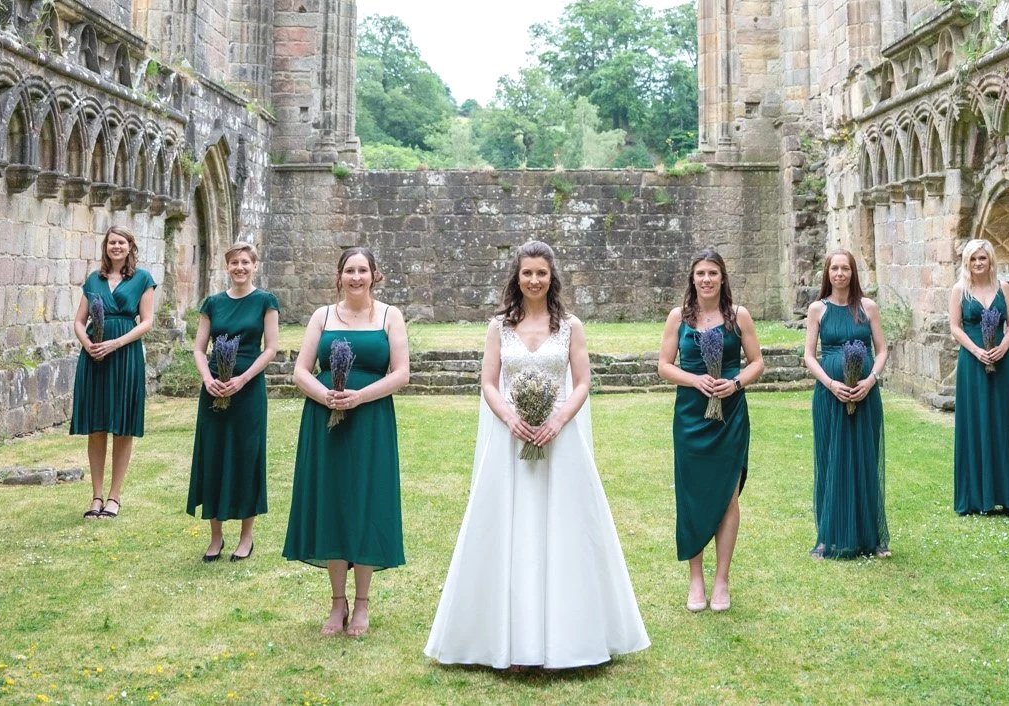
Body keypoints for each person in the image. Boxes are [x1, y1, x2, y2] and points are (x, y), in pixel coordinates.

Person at [424, 240, 649, 670]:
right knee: (509, 532)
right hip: (510, 444)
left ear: (552, 277)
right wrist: (510, 418)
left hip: (559, 442)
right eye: (527, 273)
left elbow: (581, 381)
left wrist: (557, 421)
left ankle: (568, 639)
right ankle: (507, 641)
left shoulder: (570, 326)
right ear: (517, 276)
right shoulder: (498, 328)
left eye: (541, 273)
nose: (534, 280)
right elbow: (489, 382)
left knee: (563, 533)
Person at [285, 248, 411, 637]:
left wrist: (361, 396)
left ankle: (362, 604)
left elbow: (402, 373)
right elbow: (300, 370)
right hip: (326, 420)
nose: (356, 277)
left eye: (363, 270)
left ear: (375, 274)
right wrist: (325, 396)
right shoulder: (321, 317)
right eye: (349, 271)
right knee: (334, 502)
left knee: (365, 501)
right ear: (339, 276)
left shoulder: (391, 316)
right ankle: (337, 603)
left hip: (371, 420)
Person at [656, 250, 763, 613]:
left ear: (722, 278)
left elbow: (757, 363)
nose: (706, 279)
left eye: (712, 273)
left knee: (728, 497)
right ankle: (696, 579)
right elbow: (663, 366)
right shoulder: (679, 318)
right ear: (692, 278)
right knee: (693, 494)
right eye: (700, 273)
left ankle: (722, 581)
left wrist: (734, 383)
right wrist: (694, 379)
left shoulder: (738, 317)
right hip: (691, 414)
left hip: (730, 414)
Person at [186, 241, 281, 562]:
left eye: (245, 262)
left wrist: (243, 379)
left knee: (246, 456)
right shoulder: (212, 303)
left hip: (248, 389)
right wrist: (207, 379)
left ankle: (246, 537)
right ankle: (215, 538)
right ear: (226, 267)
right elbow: (200, 348)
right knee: (213, 456)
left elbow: (270, 349)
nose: (239, 267)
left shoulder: (266, 301)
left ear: (255, 265)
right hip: (214, 388)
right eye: (234, 263)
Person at [949, 237, 1009, 516]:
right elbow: (955, 327)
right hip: (972, 362)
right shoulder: (960, 290)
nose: (978, 263)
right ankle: (978, 497)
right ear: (967, 262)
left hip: (1003, 363)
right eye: (973, 259)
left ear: (991, 260)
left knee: (1007, 422)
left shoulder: (1003, 287)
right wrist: (977, 351)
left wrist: (1003, 346)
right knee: (977, 421)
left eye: (983, 258)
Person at [804, 249, 889, 558]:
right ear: (827, 273)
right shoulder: (818, 309)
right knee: (830, 460)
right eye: (834, 268)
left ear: (853, 274)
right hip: (829, 395)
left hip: (866, 394)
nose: (840, 273)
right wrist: (830, 383)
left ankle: (871, 538)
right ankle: (829, 536)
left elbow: (881, 350)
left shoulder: (868, 307)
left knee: (865, 458)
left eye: (845, 269)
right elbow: (809, 356)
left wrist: (870, 380)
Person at [68, 226, 158, 519]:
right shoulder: (94, 280)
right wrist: (90, 344)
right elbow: (79, 322)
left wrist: (116, 343)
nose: (116, 247)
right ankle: (95, 496)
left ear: (130, 246)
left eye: (121, 242)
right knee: (96, 427)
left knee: (122, 426)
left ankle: (114, 497)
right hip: (95, 357)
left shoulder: (143, 279)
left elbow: (147, 322)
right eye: (111, 242)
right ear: (106, 247)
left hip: (125, 355)